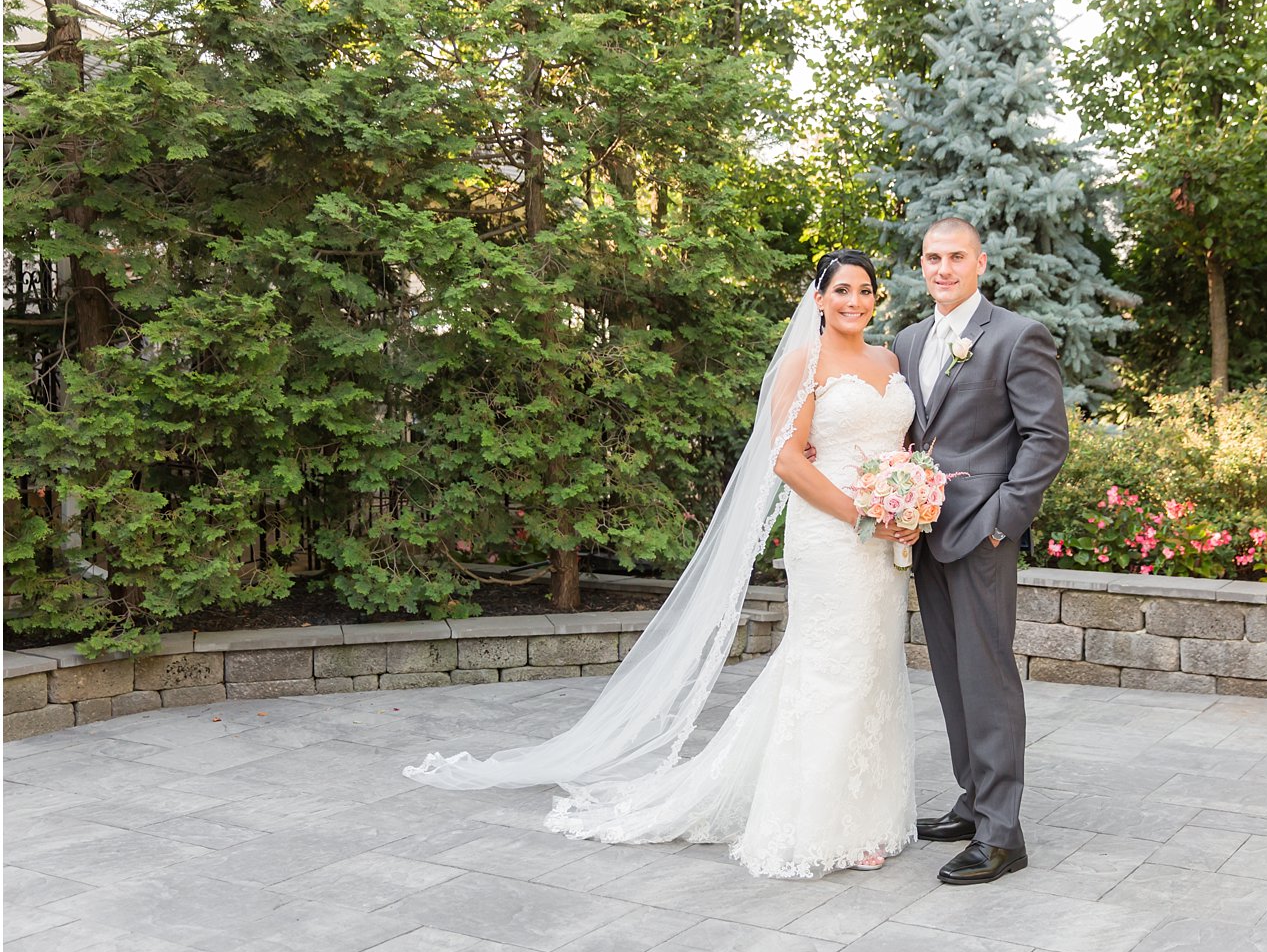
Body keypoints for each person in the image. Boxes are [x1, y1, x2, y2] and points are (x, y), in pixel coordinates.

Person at [405, 250, 922, 878]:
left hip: (887, 540)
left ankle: (865, 814)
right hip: (835, 533)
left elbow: (896, 444)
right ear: (817, 299)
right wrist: (862, 515)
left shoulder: (888, 360)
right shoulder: (800, 363)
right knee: (829, 670)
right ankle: (818, 822)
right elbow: (786, 460)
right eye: (841, 290)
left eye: (865, 291)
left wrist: (908, 493)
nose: (855, 301)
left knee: (871, 667)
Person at [890, 217, 1069, 885]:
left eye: (955, 257)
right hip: (927, 531)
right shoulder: (908, 340)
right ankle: (971, 803)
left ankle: (1002, 833)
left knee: (989, 679)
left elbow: (1046, 439)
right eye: (933, 257)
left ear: (980, 263)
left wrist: (1003, 521)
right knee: (950, 674)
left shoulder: (1017, 336)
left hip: (983, 534)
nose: (943, 268)